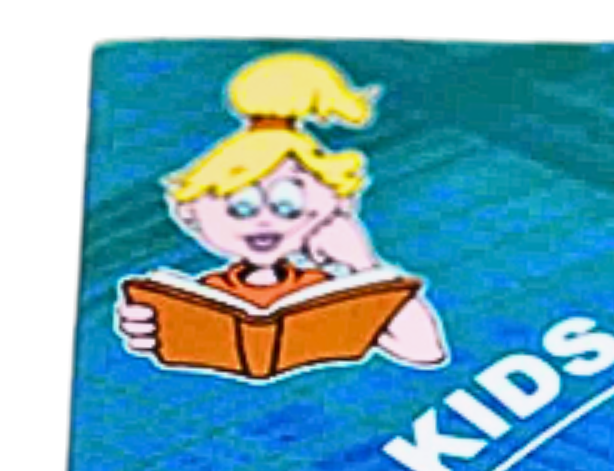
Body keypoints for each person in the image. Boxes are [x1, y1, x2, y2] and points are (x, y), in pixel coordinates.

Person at [115, 50, 446, 369]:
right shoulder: (206, 295)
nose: (264, 221)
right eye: (240, 207)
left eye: (288, 206)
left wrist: (364, 264)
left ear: (337, 207)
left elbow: (424, 351)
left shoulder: (332, 289)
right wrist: (147, 329)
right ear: (188, 212)